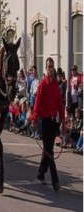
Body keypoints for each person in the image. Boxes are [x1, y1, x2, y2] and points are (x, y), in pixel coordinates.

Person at [33, 57, 65, 191]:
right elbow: (37, 103)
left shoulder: (56, 85)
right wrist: (34, 119)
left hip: (53, 122)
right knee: (49, 151)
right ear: (46, 68)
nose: (50, 69)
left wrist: (63, 120)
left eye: (52, 66)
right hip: (45, 121)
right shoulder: (42, 85)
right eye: (49, 67)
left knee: (47, 150)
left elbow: (60, 104)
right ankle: (55, 181)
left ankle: (40, 174)